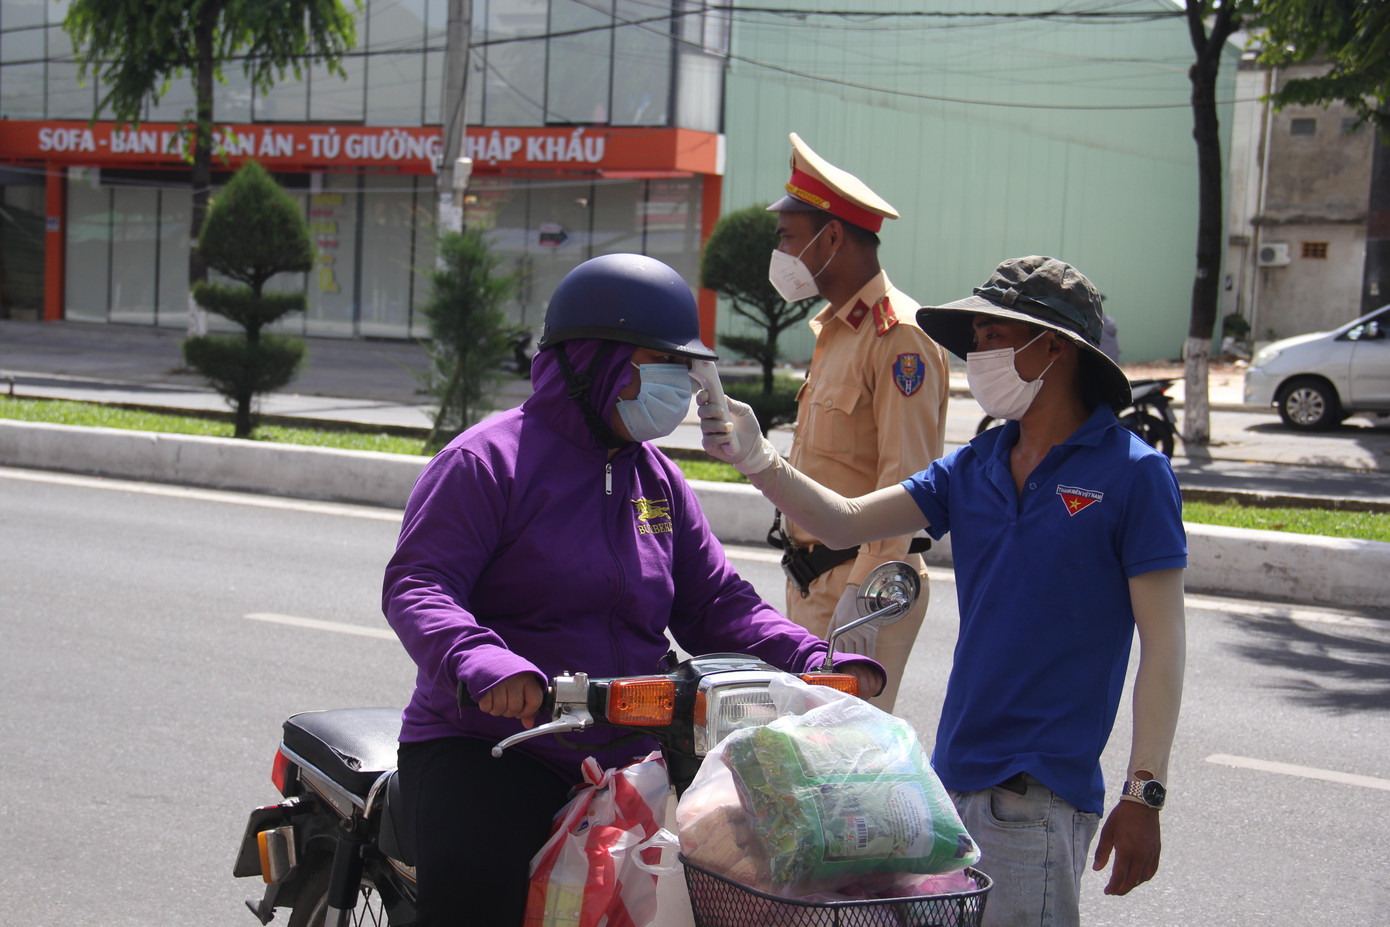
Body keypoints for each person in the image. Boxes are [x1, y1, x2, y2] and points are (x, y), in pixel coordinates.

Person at [382, 252, 885, 927]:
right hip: (493, 747)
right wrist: (485, 661)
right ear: (590, 361)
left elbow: (715, 604)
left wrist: (812, 661)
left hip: (632, 748)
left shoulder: (658, 480)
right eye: (659, 363)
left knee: (743, 879)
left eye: (684, 368)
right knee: (477, 899)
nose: (676, 386)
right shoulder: (487, 461)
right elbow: (420, 583)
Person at [698, 256, 1187, 927]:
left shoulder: (1136, 474)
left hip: (1038, 799)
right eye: (977, 336)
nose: (978, 353)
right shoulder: (977, 464)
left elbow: (1163, 646)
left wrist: (1145, 792)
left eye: (994, 335)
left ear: (1054, 346)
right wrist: (759, 459)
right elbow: (843, 519)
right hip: (946, 787)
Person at [764, 132, 950, 712]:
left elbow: (908, 480)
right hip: (813, 580)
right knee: (805, 764)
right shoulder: (837, 331)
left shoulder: (901, 338)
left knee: (841, 770)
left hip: (862, 585)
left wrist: (862, 604)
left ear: (833, 237)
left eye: (790, 239)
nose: (782, 254)